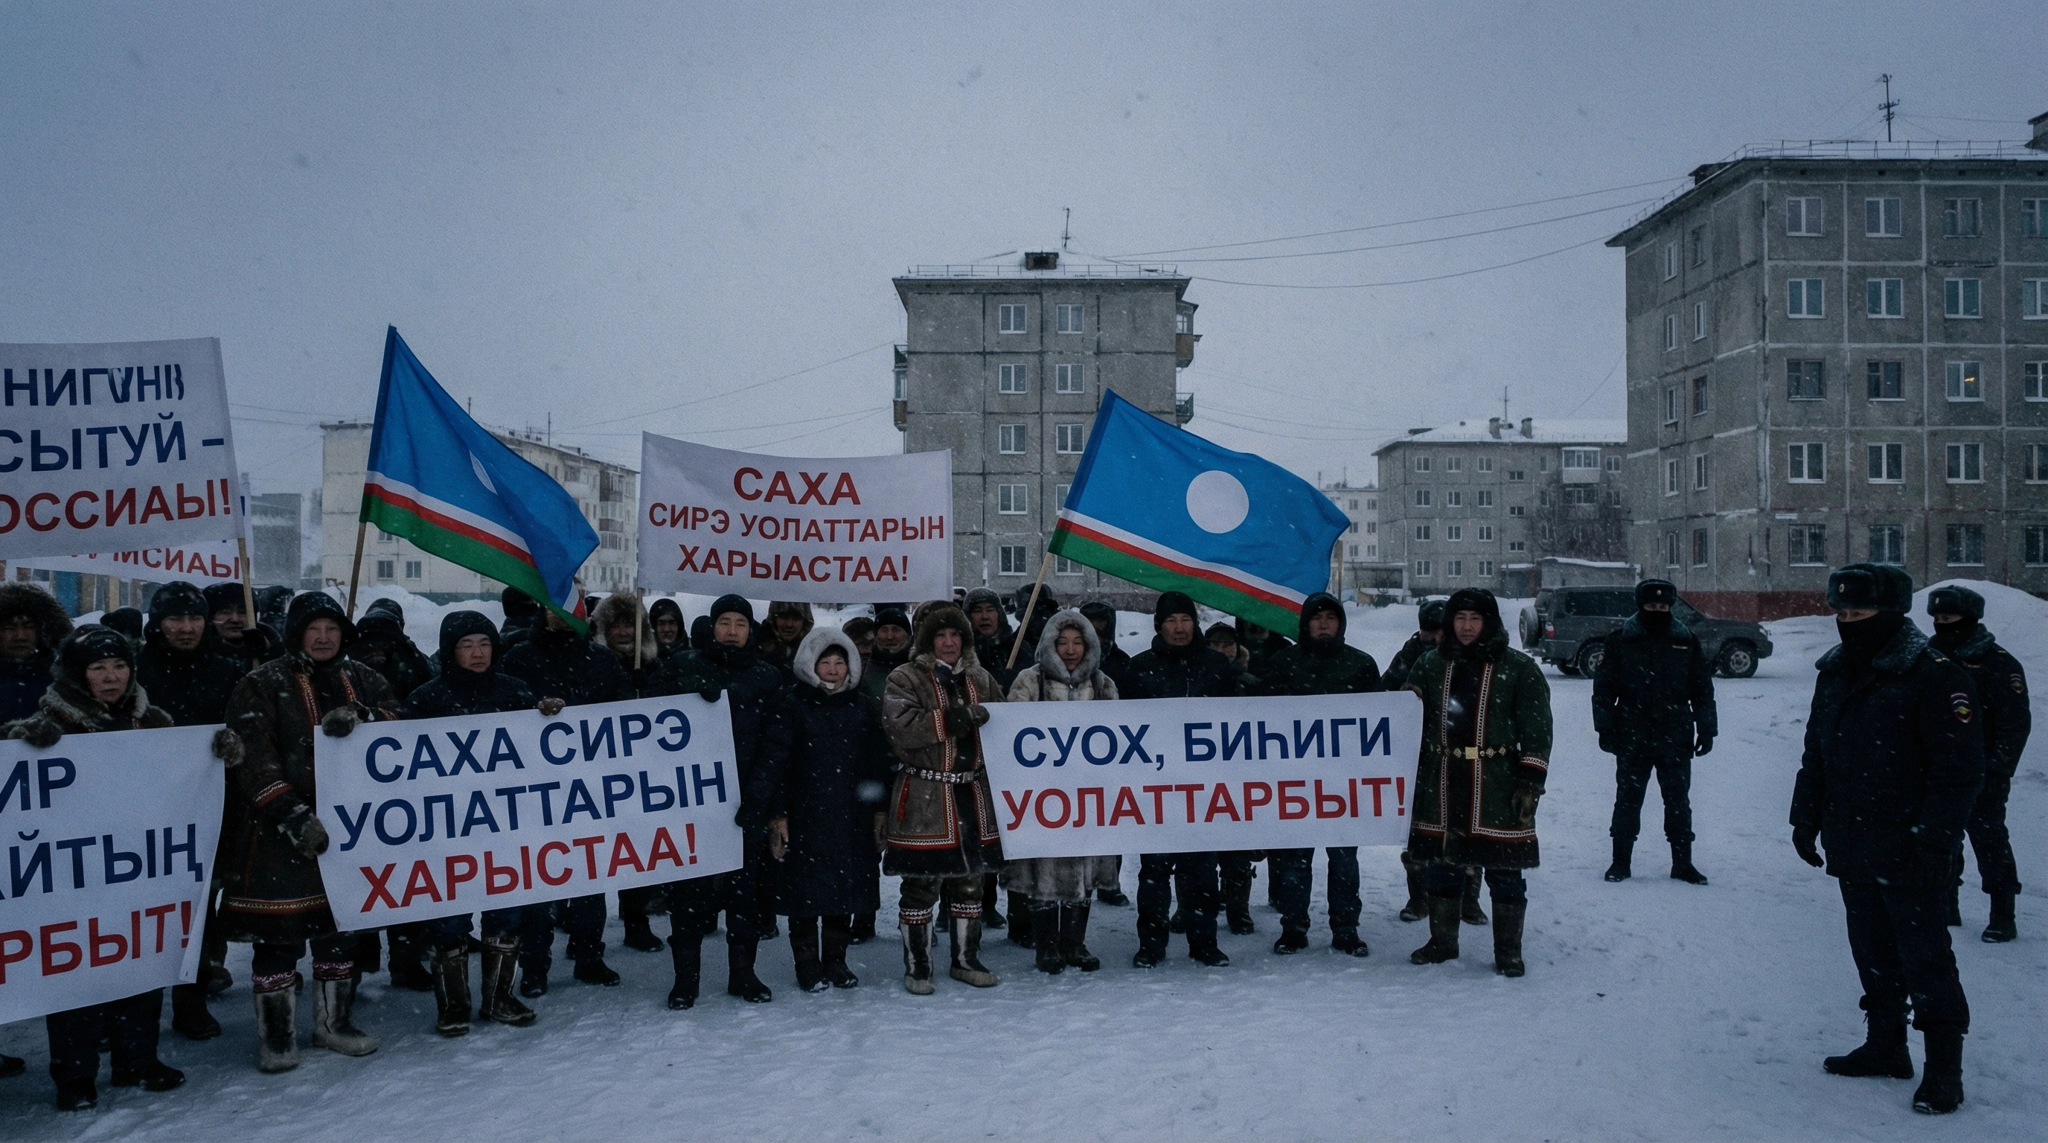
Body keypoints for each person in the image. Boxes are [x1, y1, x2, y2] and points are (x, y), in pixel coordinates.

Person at [1792, 564, 1983, 1115]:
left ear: (1893, 615)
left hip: (1911, 846)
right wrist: (1804, 818)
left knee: (1926, 958)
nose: (1849, 623)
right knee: (1871, 949)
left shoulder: (1934, 674)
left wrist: (1935, 841)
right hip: (1853, 840)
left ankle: (1944, 1068)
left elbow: (1959, 770)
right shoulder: (1837, 671)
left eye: (1861, 614)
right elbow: (1817, 753)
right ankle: (1886, 1045)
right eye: (1842, 614)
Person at [6, 626, 196, 1109]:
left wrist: (213, 756)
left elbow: (183, 779)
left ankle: (138, 1061)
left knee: (141, 964)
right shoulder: (50, 725)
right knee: (76, 977)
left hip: (140, 870)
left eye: (119, 666)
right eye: (98, 668)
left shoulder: (151, 722)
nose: (111, 678)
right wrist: (21, 743)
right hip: (73, 881)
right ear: (77, 675)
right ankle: (75, 1078)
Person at [221, 591, 394, 1072]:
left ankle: (333, 1024)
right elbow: (252, 760)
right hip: (278, 835)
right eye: (313, 629)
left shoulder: (364, 679)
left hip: (353, 832)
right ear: (296, 633)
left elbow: (405, 724)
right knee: (277, 940)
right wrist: (294, 815)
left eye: (332, 629)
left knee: (340, 932)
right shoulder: (260, 684)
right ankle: (276, 1037)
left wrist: (368, 719)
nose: (323, 638)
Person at [405, 611, 550, 1036]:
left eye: (485, 644)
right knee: (449, 920)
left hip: (506, 826)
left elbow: (544, 754)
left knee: (505, 913)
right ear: (451, 651)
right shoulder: (425, 700)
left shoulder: (517, 693)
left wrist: (548, 716)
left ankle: (498, 997)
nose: (477, 653)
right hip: (447, 830)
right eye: (467, 645)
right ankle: (453, 1005)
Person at [647, 594, 790, 1008]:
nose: (732, 631)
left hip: (745, 804)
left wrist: (762, 802)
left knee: (745, 896)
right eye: (724, 622)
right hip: (689, 802)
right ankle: (685, 980)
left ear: (751, 630)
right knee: (688, 897)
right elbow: (646, 724)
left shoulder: (767, 676)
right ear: (713, 627)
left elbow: (776, 746)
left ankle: (743, 975)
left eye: (740, 624)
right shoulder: (683, 666)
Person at [1403, 588, 1550, 978]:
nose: (1467, 627)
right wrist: (1407, 700)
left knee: (1504, 871)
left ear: (1489, 622)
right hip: (1442, 779)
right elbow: (1402, 717)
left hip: (1497, 782)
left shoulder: (1518, 668)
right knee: (1442, 866)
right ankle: (1443, 942)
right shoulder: (1430, 665)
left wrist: (1531, 780)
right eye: (1460, 618)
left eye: (1475, 619)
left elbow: (1537, 729)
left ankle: (1508, 952)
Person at [501, 606, 635, 992]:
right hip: (535, 790)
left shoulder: (602, 659)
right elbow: (502, 715)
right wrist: (536, 712)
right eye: (554, 604)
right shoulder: (519, 657)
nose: (564, 612)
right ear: (540, 611)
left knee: (590, 875)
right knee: (538, 884)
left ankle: (589, 955)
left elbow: (624, 711)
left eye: (573, 603)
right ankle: (535, 967)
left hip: (589, 788)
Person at [134, 581, 246, 1040]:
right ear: (158, 624)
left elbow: (246, 724)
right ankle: (130, 1009)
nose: (186, 627)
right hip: (148, 810)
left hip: (212, 804)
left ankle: (191, 1001)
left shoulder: (228, 669)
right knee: (146, 912)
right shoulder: (134, 671)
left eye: (194, 618)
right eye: (176, 619)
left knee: (200, 910)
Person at [880, 603, 1006, 993]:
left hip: (972, 792)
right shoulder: (904, 678)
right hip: (925, 796)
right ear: (927, 641)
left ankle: (966, 959)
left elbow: (1007, 727)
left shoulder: (982, 678)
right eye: (941, 636)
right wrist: (952, 719)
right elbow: (900, 729)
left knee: (971, 883)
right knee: (921, 885)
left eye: (956, 636)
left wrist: (1000, 714)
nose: (949, 642)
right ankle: (918, 965)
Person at [768, 627, 892, 991]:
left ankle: (836, 961)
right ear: (811, 663)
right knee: (804, 895)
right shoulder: (791, 703)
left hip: (852, 817)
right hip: (803, 815)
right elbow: (776, 763)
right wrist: (778, 813)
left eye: (840, 662)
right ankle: (806, 964)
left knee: (844, 891)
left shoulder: (864, 707)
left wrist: (880, 810)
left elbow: (878, 763)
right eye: (826, 662)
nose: (834, 669)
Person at [1121, 591, 1239, 969]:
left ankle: (1204, 943)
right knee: (1154, 872)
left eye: (1185, 620)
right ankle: (1151, 946)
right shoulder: (1139, 668)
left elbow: (1242, 723)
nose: (1178, 627)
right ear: (1159, 626)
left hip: (1204, 788)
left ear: (1195, 623)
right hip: (1155, 788)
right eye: (1170, 621)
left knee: (1202, 872)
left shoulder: (1217, 666)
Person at [1260, 593, 1380, 956]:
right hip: (1295, 780)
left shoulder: (1360, 665)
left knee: (1344, 858)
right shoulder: (1284, 663)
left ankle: (1346, 926)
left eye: (1331, 618)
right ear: (1306, 624)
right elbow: (1262, 721)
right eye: (1317, 618)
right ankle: (1293, 926)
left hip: (1344, 782)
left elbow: (1380, 724)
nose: (1324, 624)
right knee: (1295, 859)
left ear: (1340, 623)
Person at [1003, 608, 1120, 974]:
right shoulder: (1029, 681)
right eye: (1062, 642)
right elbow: (1012, 734)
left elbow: (1119, 739)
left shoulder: (1103, 685)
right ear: (1049, 644)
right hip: (1041, 798)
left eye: (1077, 642)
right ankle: (1046, 947)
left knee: (1084, 871)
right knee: (1042, 870)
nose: (1070, 649)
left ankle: (1075, 944)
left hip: (1087, 797)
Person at [1591, 580, 1716, 885]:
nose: (1658, 611)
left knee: (1677, 801)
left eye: (1663, 606)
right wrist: (1605, 727)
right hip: (1632, 732)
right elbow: (1604, 689)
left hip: (1675, 733)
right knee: (1628, 799)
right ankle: (1620, 862)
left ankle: (1682, 863)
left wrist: (1707, 728)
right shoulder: (1621, 641)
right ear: (1640, 606)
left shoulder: (1685, 641)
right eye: (1651, 606)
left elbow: (1702, 688)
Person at [1924, 586, 2030, 943]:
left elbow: (2015, 723)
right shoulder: (1928, 657)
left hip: (1983, 770)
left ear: (1969, 619)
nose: (1942, 624)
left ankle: (2003, 913)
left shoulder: (1998, 663)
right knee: (1941, 839)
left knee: (1989, 840)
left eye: (1949, 618)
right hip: (1938, 770)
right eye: (1937, 618)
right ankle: (1945, 904)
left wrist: (1998, 767)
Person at [590, 593, 668, 951]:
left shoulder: (655, 666)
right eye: (615, 625)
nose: (622, 632)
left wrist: (645, 689)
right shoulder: (591, 663)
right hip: (595, 772)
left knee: (636, 851)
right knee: (589, 854)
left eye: (628, 625)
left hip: (642, 774)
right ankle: (585, 936)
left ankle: (635, 921)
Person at [1382, 599, 1454, 923]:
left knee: (1461, 830)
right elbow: (1383, 694)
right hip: (1416, 758)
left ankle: (1468, 900)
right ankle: (1418, 898)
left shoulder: (1464, 658)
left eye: (1438, 631)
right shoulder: (1408, 656)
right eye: (1427, 630)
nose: (1433, 638)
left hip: (1456, 757)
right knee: (1417, 832)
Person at [1, 582, 72, 727]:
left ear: (43, 629)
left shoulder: (66, 677)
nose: (20, 636)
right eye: (9, 628)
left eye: (29, 627)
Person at [348, 598, 435, 701]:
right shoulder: (406, 648)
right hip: (403, 706)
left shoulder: (355, 643)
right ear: (401, 624)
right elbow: (429, 673)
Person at [1379, 599, 1444, 694]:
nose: (1435, 636)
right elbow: (1385, 692)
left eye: (1438, 631)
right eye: (1429, 631)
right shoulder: (1408, 655)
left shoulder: (1456, 654)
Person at [762, 601, 815, 680]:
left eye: (796, 618)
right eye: (783, 616)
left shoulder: (815, 653)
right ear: (773, 618)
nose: (789, 624)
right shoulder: (752, 648)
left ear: (805, 621)